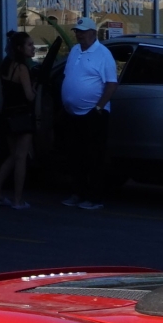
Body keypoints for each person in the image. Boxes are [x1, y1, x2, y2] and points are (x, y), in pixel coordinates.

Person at [58, 20, 119, 211]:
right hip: (73, 114)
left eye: (83, 32)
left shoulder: (103, 54)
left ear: (94, 32)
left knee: (94, 156)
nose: (79, 35)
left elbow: (111, 84)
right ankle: (78, 192)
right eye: (77, 31)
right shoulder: (75, 50)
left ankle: (94, 197)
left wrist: (99, 108)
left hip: (93, 114)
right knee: (75, 155)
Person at [0, 31, 39, 210]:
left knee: (12, 155)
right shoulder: (22, 68)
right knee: (21, 158)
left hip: (7, 115)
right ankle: (17, 200)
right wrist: (34, 87)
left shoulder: (7, 66)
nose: (33, 48)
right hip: (22, 116)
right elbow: (29, 96)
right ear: (19, 48)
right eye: (29, 45)